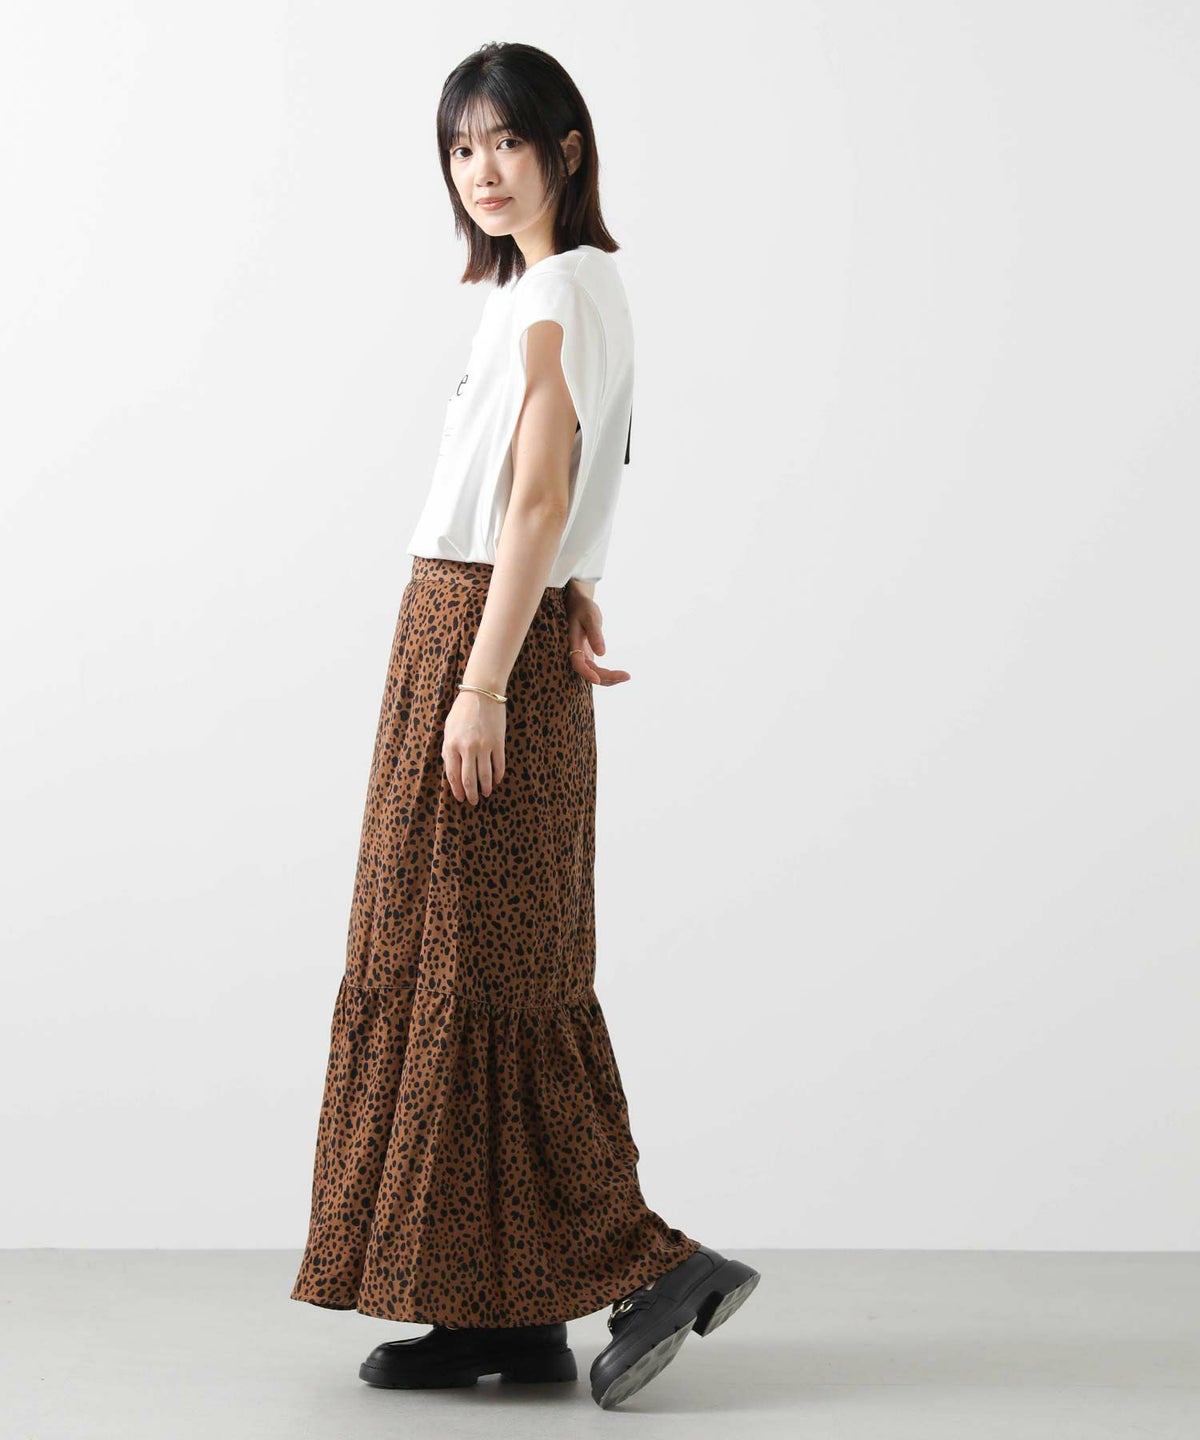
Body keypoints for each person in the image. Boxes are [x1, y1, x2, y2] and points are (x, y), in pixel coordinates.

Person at [289, 41, 760, 1410]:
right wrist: (570, 592)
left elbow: (542, 495)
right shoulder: (569, 287)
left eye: (505, 141)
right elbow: (562, 489)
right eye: (460, 148)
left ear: (566, 148)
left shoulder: (553, 292)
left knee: (474, 965)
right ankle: (499, 1313)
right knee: (476, 960)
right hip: (496, 622)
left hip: (471, 639)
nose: (481, 171)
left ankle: (656, 1263)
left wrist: (486, 676)